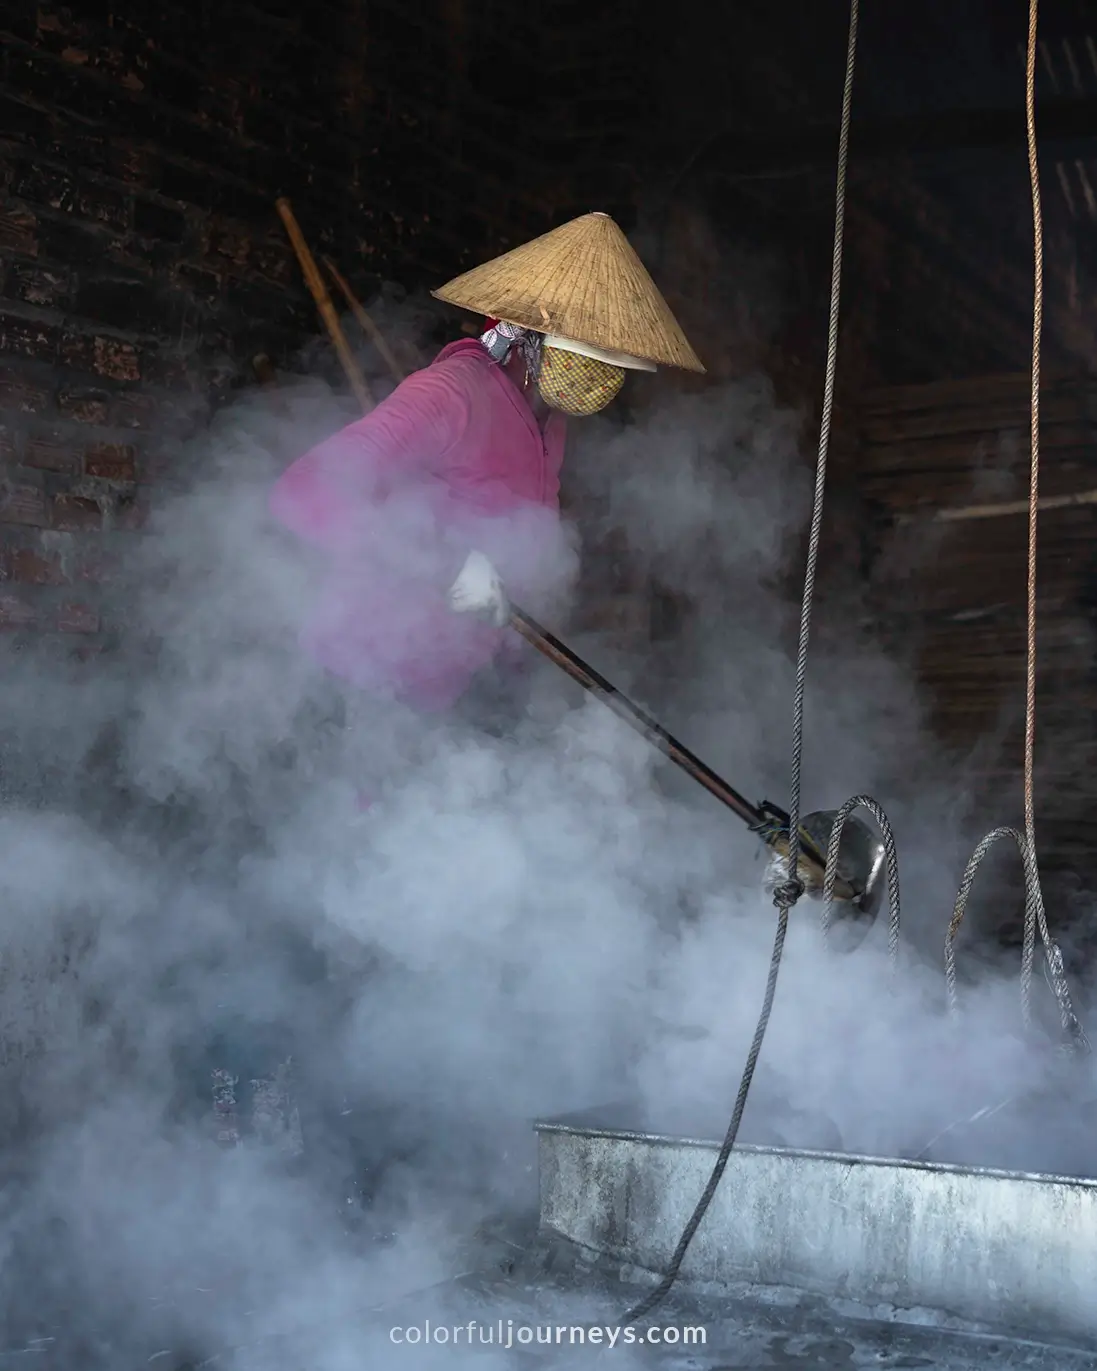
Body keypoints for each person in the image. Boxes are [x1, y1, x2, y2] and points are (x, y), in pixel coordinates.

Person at [203, 212, 704, 1162]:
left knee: (414, 920)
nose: (596, 385)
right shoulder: (452, 393)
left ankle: (381, 1136)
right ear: (526, 335)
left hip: (455, 704)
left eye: (610, 371)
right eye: (582, 359)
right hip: (362, 692)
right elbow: (303, 495)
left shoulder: (545, 421)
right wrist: (432, 563)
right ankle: (254, 1140)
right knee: (322, 915)